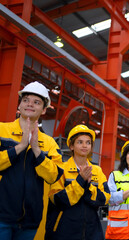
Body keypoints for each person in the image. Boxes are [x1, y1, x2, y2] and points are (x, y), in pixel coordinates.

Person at [0, 81, 63, 240]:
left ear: (43, 110)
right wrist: (20, 147)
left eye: (37, 102)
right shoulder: (2, 130)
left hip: (30, 222)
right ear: (19, 105)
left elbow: (54, 176)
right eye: (26, 100)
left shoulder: (49, 143)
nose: (30, 104)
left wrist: (36, 150)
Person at [45, 124, 110, 240]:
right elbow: (56, 199)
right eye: (80, 142)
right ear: (71, 146)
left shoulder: (97, 171)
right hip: (63, 232)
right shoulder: (61, 169)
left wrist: (88, 186)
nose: (84, 145)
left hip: (92, 233)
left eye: (88, 142)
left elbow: (104, 198)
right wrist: (80, 181)